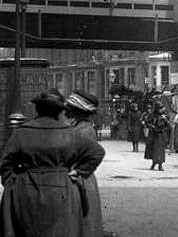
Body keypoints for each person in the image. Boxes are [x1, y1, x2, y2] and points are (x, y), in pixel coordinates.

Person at [0, 90, 105, 237]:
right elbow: (97, 152)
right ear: (59, 111)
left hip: (27, 186)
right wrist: (79, 172)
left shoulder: (22, 132)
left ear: (37, 109)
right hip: (62, 186)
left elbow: (6, 161)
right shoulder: (70, 132)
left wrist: (12, 181)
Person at [65, 90, 106, 237]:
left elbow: (96, 153)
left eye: (70, 109)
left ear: (78, 111)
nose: (67, 111)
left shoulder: (83, 130)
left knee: (83, 220)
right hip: (84, 178)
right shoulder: (81, 127)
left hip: (80, 178)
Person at [144, 101, 168, 171]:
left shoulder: (164, 115)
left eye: (161, 108)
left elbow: (168, 125)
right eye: (159, 108)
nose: (160, 110)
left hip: (161, 134)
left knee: (161, 150)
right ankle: (153, 163)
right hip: (154, 135)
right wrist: (152, 126)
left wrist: (165, 119)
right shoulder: (152, 115)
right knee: (154, 150)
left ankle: (160, 165)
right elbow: (147, 122)